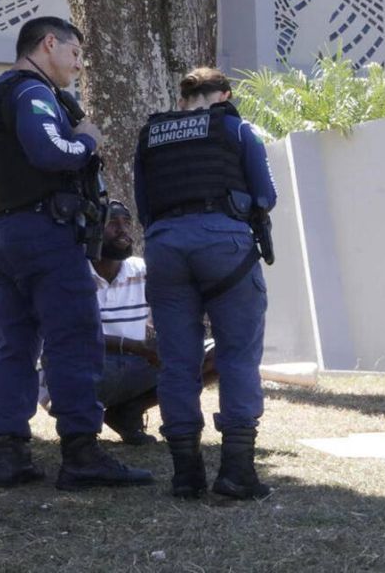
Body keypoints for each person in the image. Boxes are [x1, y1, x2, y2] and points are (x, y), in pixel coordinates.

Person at [0, 16, 152, 490]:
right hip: (46, 234)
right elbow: (53, 153)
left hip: (1, 233)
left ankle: (8, 454)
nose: (78, 65)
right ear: (49, 44)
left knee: (14, 344)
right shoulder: (33, 93)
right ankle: (82, 454)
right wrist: (87, 139)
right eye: (75, 54)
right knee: (74, 339)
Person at [134, 67, 276, 499]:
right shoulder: (237, 129)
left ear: (182, 100)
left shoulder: (151, 134)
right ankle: (236, 472)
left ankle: (185, 474)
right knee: (237, 356)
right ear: (225, 95)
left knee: (178, 361)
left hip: (164, 246)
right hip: (224, 245)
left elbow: (143, 204)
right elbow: (266, 195)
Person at [38, 201, 219, 445]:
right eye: (112, 223)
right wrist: (137, 347)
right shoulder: (70, 274)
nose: (123, 230)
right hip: (86, 368)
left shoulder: (143, 270)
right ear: (90, 230)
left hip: (136, 364)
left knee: (219, 352)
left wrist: (169, 341)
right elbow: (72, 336)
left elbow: (170, 318)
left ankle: (127, 412)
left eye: (127, 222)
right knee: (75, 366)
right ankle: (80, 432)